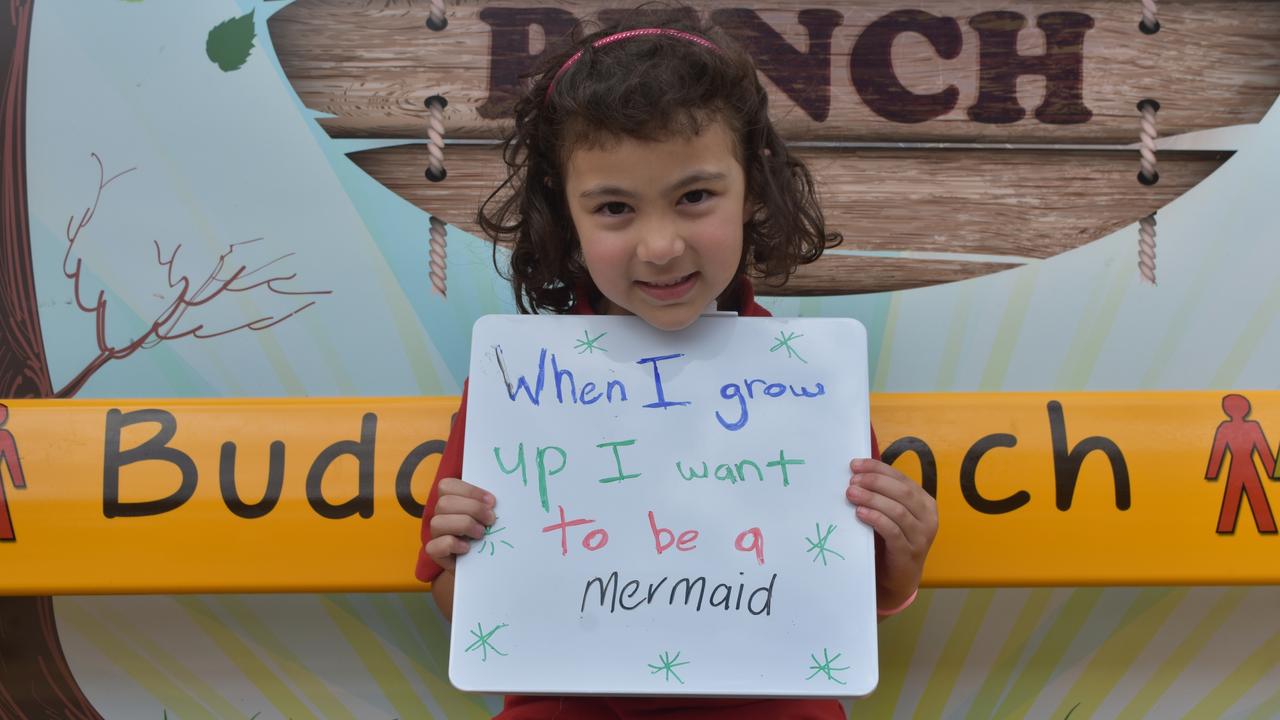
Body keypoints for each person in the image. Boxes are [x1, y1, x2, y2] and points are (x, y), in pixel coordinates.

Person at [417, 8, 938, 718]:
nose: (659, 246)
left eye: (694, 197)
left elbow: (844, 609)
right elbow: (470, 618)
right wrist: (462, 563)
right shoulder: (516, 393)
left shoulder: (807, 385)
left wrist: (900, 560)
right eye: (614, 208)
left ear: (752, 189)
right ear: (564, 215)